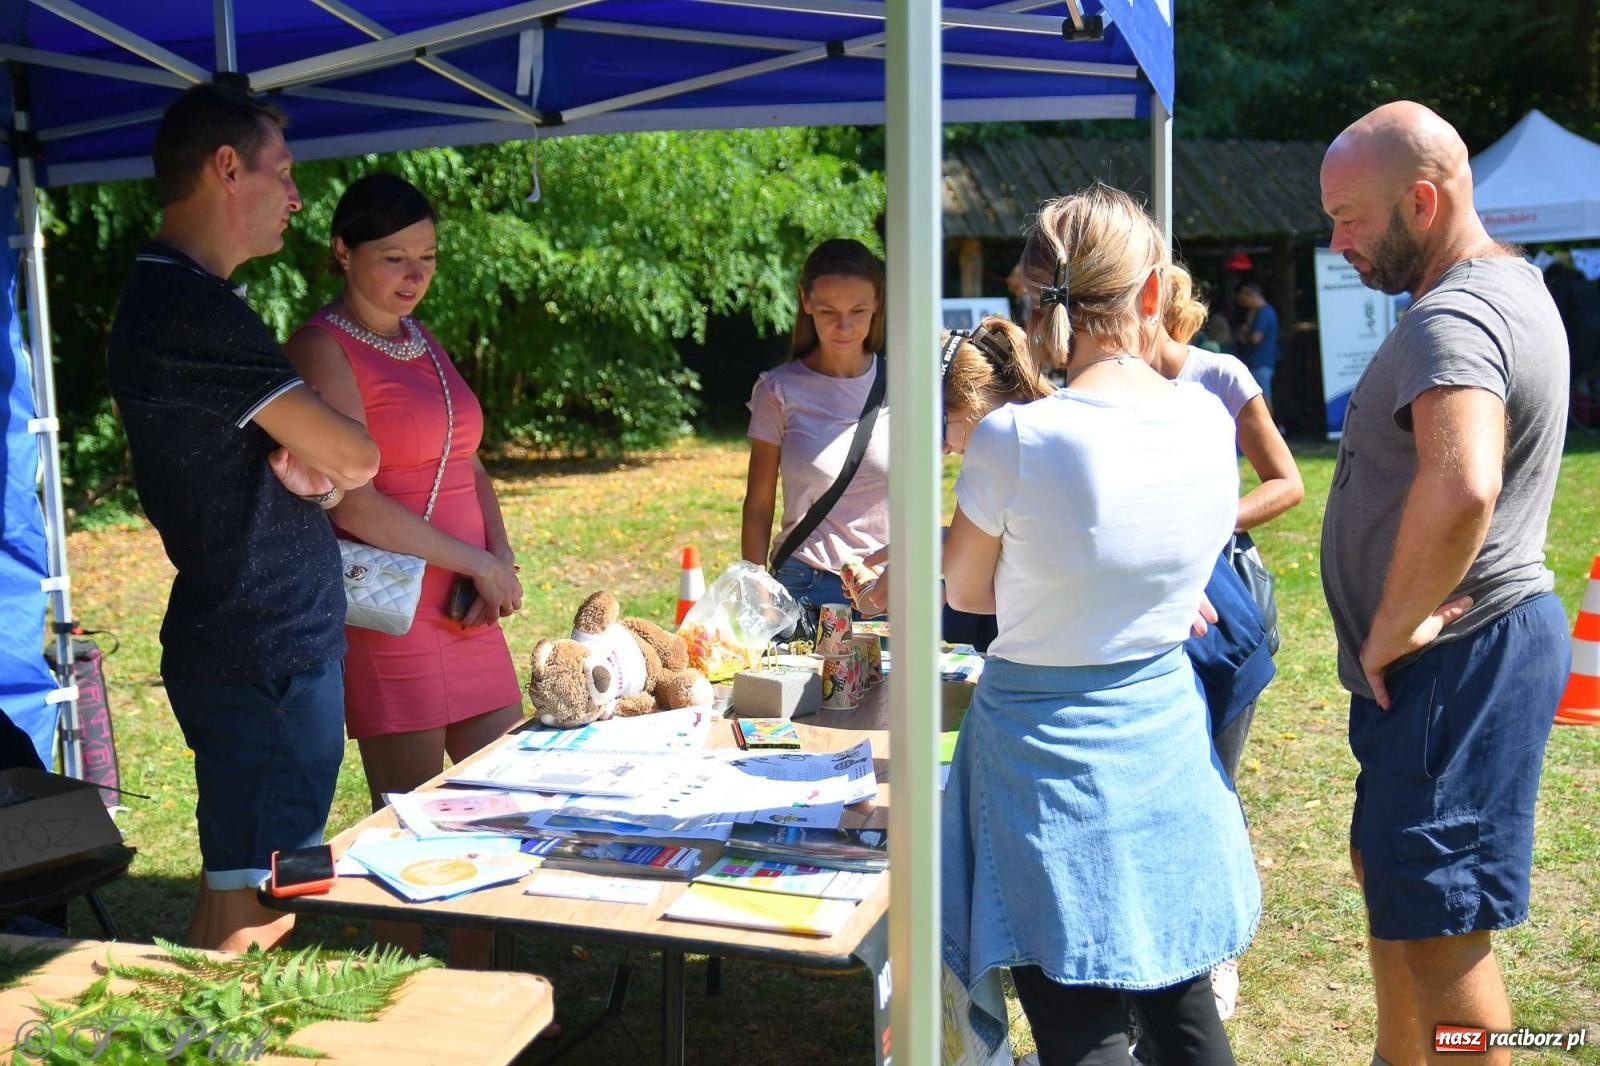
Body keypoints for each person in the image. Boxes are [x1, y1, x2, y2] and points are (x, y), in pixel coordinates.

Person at [941, 184, 1259, 1066]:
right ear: (1153, 292)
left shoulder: (1017, 438)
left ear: (1036, 299)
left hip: (1044, 753)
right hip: (1161, 729)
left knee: (1078, 1019)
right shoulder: (1205, 415)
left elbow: (967, 593)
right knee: (1181, 1002)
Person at [1320, 101, 1570, 1066]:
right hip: (1468, 654)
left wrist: (1391, 626)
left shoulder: (1455, 313)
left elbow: (1465, 479)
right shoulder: (1513, 286)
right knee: (1394, 873)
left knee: (1441, 921)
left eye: (1350, 217)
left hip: (1458, 656)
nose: (1336, 240)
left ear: (1421, 202)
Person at [107, 83, 380, 952]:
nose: (297, 198)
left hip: (260, 645)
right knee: (263, 912)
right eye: (285, 172)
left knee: (234, 894)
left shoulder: (185, 297)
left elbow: (323, 468)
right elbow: (358, 457)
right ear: (228, 168)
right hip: (262, 651)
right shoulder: (189, 309)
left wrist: (325, 476)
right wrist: (335, 467)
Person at [285, 173, 525, 966]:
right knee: (411, 822)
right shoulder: (322, 346)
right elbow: (351, 504)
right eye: (394, 257)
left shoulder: (418, 337)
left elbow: (470, 459)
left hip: (465, 598)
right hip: (393, 608)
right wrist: (475, 563)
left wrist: (498, 558)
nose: (415, 275)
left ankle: (481, 981)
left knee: (504, 801)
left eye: (427, 256)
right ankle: (412, 997)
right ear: (343, 252)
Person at [742, 239, 889, 623]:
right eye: (828, 311)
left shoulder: (906, 386)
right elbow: (758, 503)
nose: (844, 326)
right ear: (805, 302)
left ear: (877, 304)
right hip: (804, 589)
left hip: (886, 589)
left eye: (858, 310)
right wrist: (755, 584)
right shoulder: (778, 390)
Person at [1233, 283, 1280, 408]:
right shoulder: (1258, 312)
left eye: (1244, 298)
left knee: (1264, 399)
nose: (1242, 303)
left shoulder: (1264, 313)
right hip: (1258, 362)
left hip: (1260, 363)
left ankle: (1271, 427)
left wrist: (1243, 336)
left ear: (1252, 295)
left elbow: (1255, 338)